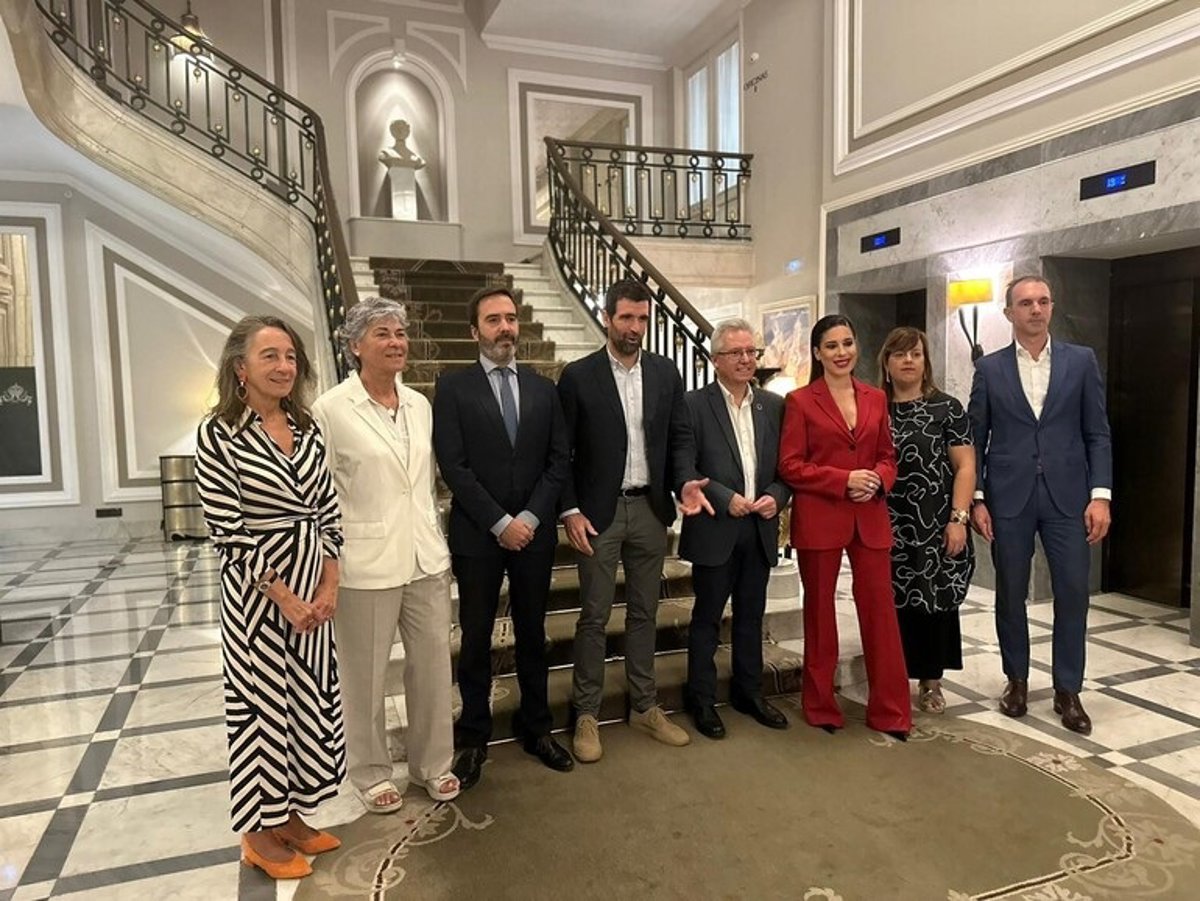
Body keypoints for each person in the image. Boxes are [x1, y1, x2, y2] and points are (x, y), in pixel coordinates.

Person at [195, 316, 344, 880]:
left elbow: (327, 508)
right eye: (270, 356)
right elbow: (228, 532)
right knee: (260, 712)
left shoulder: (307, 426)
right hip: (258, 599)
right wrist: (283, 597)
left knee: (308, 704)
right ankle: (257, 834)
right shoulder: (218, 434)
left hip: (314, 592)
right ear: (240, 367)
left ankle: (291, 816)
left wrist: (329, 584)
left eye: (291, 356)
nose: (284, 367)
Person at [311, 296, 460, 815]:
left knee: (432, 669)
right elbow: (320, 494)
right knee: (365, 676)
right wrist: (327, 565)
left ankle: (432, 764)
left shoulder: (419, 404)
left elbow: (426, 482)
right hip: (365, 562)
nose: (396, 342)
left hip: (425, 558)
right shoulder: (330, 409)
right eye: (383, 333)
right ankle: (370, 771)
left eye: (400, 332)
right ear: (355, 345)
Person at [558, 277, 712, 762]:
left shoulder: (665, 373)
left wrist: (684, 482)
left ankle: (644, 706)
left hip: (650, 510)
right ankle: (586, 713)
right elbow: (561, 452)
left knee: (646, 612)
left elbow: (680, 437)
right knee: (594, 616)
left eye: (642, 318)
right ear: (607, 317)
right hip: (598, 514)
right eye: (626, 317)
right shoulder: (578, 376)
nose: (635, 327)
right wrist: (570, 509)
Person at [432, 287, 574, 789]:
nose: (505, 327)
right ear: (475, 331)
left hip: (534, 534)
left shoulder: (543, 388)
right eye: (493, 320)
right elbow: (454, 466)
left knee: (534, 633)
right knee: (475, 636)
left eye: (511, 318)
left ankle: (537, 728)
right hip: (478, 534)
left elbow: (558, 460)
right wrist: (500, 522)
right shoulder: (452, 388)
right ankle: (473, 737)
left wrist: (531, 518)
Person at [968, 276, 1112, 735]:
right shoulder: (989, 369)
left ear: (1051, 307)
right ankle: (1017, 680)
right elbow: (975, 439)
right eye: (1026, 302)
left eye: (1043, 301)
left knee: (1073, 593)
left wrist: (1101, 495)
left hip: (1068, 497)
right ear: (1009, 312)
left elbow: (1097, 433)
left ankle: (1068, 690)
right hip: (1007, 497)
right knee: (1010, 592)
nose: (1036, 309)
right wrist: (977, 498)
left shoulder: (1081, 361)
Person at [778, 313, 911, 739]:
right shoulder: (800, 401)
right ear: (817, 353)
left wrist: (877, 480)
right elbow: (791, 465)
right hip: (820, 517)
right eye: (832, 345)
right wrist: (843, 480)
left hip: (869, 515)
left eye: (848, 343)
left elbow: (888, 456)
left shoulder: (876, 397)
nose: (842, 352)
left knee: (881, 614)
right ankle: (820, 705)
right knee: (820, 614)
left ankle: (891, 710)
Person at [679, 319, 792, 739]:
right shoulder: (692, 405)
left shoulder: (773, 406)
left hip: (759, 527)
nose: (746, 360)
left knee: (751, 615)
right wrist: (726, 498)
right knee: (707, 618)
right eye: (736, 353)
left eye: (751, 352)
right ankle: (701, 699)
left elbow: (787, 468)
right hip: (716, 525)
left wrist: (777, 496)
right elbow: (685, 465)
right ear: (715, 360)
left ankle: (749, 692)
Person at [878, 327, 975, 714]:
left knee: (934, 599)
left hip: (934, 523)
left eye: (916, 354)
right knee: (890, 601)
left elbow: (965, 466)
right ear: (886, 362)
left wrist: (959, 519)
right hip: (885, 522)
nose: (908, 361)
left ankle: (931, 681)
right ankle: (891, 676)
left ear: (926, 361)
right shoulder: (872, 407)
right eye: (900, 354)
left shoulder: (947, 408)